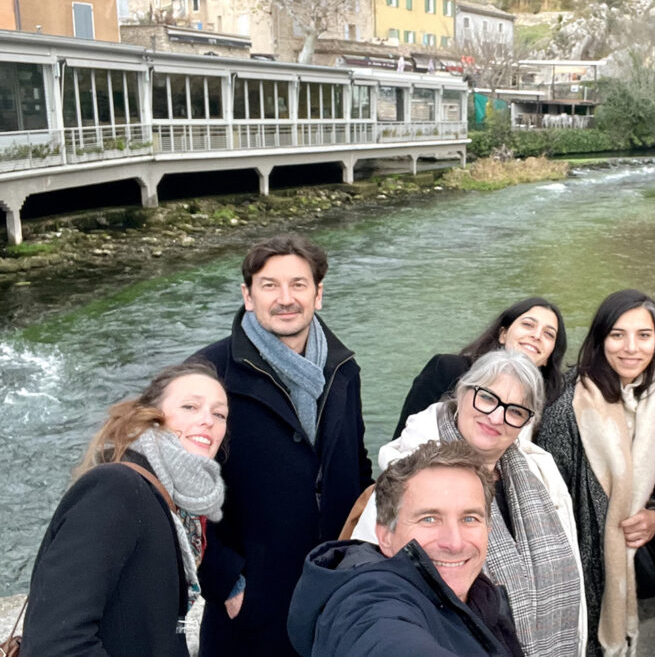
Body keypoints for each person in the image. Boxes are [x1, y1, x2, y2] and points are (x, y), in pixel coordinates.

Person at [192, 234, 373, 657]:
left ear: (318, 294)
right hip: (252, 599)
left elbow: (356, 464)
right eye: (269, 285)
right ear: (248, 295)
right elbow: (177, 485)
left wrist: (363, 555)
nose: (285, 298)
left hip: (332, 583)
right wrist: (226, 580)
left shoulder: (344, 370)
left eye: (298, 284)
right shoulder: (207, 374)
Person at [351, 349, 585, 657]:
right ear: (463, 393)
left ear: (526, 423)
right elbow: (368, 584)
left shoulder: (540, 473)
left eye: (515, 411)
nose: (497, 417)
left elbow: (574, 580)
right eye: (487, 398)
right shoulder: (409, 472)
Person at [24, 362, 228, 657]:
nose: (208, 420)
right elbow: (56, 643)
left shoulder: (179, 509)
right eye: (190, 407)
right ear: (150, 416)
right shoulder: (115, 489)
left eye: (219, 414)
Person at [288, 440, 525, 657]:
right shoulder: (367, 603)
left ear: (489, 528)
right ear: (385, 535)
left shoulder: (481, 600)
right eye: (429, 519)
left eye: (470, 518)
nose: (455, 542)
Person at [537, 289, 655, 657]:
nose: (631, 347)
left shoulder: (653, 397)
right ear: (599, 340)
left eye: (644, 335)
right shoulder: (568, 405)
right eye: (617, 334)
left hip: (632, 565)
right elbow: (549, 502)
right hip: (579, 573)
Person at [395, 298, 568, 436]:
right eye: (528, 325)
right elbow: (402, 438)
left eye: (549, 334)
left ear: (549, 357)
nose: (537, 335)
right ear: (503, 334)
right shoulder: (447, 369)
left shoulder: (550, 404)